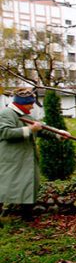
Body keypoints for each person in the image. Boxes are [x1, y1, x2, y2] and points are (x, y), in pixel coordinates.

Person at [0, 88, 44, 221]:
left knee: (28, 185)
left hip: (25, 158)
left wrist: (59, 134)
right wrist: (29, 129)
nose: (32, 106)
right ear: (21, 103)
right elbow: (5, 132)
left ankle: (27, 215)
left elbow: (41, 128)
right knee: (6, 187)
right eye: (30, 103)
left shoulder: (25, 115)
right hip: (12, 159)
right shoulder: (7, 114)